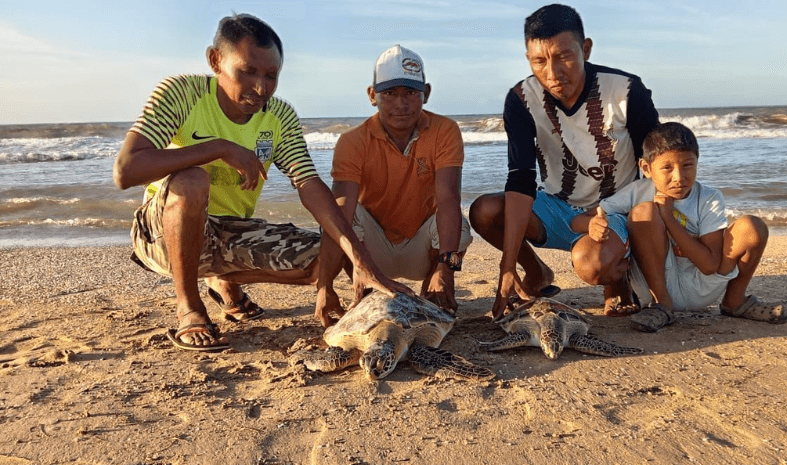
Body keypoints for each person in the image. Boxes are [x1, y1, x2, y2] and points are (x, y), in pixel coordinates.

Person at [113, 13, 409, 351]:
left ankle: (223, 280)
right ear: (215, 60)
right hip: (161, 235)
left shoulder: (279, 116)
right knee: (192, 180)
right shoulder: (182, 93)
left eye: (271, 76)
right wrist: (219, 148)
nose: (260, 88)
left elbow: (308, 184)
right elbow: (126, 170)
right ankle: (189, 306)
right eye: (248, 72)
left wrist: (359, 259)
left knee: (330, 254)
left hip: (230, 233)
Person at [469, 4, 660, 320]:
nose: (552, 73)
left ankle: (618, 283)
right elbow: (520, 179)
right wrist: (506, 267)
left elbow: (654, 166)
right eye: (539, 61)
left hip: (613, 211)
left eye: (564, 57)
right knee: (485, 211)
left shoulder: (626, 90)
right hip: (556, 208)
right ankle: (537, 273)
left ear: (585, 49)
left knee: (592, 263)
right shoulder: (521, 99)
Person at [315, 44, 472, 326]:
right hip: (372, 252)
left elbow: (449, 198)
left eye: (411, 93)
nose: (401, 104)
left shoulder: (445, 130)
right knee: (343, 214)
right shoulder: (352, 141)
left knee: (459, 225)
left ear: (427, 92)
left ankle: (436, 282)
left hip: (422, 251)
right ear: (372, 95)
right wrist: (324, 286)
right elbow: (339, 214)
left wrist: (448, 269)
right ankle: (367, 286)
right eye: (389, 94)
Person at [594, 122, 787, 332]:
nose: (679, 177)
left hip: (702, 285)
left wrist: (668, 218)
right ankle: (662, 306)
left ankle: (734, 301)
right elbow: (600, 213)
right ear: (646, 168)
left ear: (697, 162)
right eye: (667, 168)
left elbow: (710, 265)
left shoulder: (708, 198)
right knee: (643, 212)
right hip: (654, 286)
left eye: (687, 165)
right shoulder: (637, 192)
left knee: (752, 226)